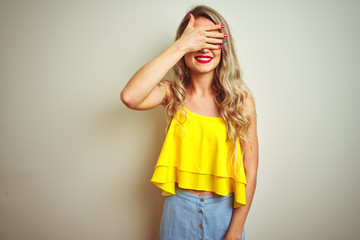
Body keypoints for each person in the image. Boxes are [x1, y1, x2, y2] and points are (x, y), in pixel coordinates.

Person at [121, 5, 258, 240]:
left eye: (211, 39)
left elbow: (250, 170)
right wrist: (181, 45)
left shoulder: (241, 101)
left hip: (224, 213)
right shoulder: (172, 93)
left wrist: (235, 232)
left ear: (223, 48)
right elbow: (130, 97)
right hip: (178, 210)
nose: (203, 47)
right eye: (197, 38)